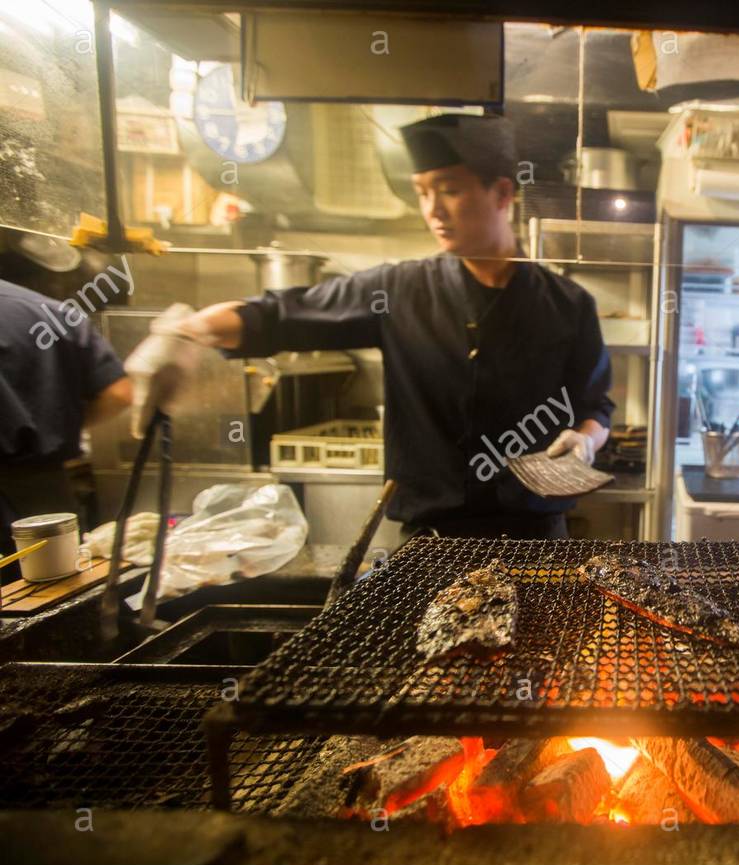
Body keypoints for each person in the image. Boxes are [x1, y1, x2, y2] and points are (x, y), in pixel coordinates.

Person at [124, 114, 613, 540]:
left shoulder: (568, 305)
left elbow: (594, 406)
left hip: (535, 538)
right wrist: (187, 332)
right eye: (423, 192)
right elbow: (281, 315)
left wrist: (586, 440)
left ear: (502, 192)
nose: (433, 211)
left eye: (450, 189)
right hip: (430, 543)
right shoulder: (399, 291)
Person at [1, 279, 133, 577]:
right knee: (59, 597)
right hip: (41, 493)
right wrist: (62, 426)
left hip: (33, 487)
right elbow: (119, 393)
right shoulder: (50, 311)